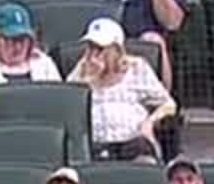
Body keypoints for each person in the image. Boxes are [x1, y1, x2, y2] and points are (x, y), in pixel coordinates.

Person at [70, 17, 177, 161]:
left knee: (143, 155)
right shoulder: (83, 69)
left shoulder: (137, 68)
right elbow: (66, 107)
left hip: (132, 141)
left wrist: (149, 123)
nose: (93, 54)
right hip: (95, 145)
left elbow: (169, 105)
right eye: (90, 47)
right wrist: (89, 81)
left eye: (100, 49)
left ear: (117, 50)